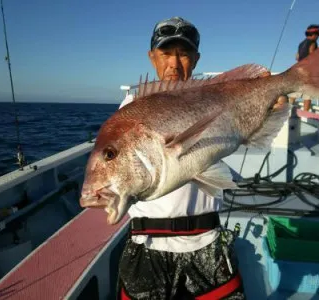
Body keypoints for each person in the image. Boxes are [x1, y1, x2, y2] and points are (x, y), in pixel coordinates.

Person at [116, 16, 286, 300]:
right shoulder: (134, 108)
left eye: (183, 54)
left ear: (195, 59)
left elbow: (243, 130)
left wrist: (270, 106)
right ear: (151, 57)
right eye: (166, 53)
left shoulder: (212, 97)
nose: (174, 63)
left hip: (206, 241)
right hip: (148, 246)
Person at [288, 24, 319, 111]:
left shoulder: (301, 44)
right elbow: (312, 55)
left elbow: (297, 57)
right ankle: (306, 114)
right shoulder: (313, 43)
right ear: (314, 34)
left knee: (294, 93)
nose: (318, 37)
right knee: (308, 94)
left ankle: (288, 109)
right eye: (317, 35)